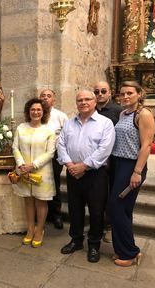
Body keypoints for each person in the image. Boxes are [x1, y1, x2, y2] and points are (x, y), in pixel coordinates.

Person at [58, 89, 115, 263]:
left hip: (95, 174)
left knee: (96, 211)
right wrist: (70, 165)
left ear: (94, 102)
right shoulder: (69, 123)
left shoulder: (105, 123)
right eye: (80, 100)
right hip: (73, 172)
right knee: (75, 209)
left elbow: (104, 150)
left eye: (87, 99)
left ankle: (94, 245)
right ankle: (76, 240)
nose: (83, 102)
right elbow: (61, 144)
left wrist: (83, 166)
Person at [108, 81, 155, 267]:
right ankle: (123, 249)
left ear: (139, 94)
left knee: (116, 207)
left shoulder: (143, 114)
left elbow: (146, 145)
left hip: (132, 166)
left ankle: (130, 252)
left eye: (129, 93)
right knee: (123, 209)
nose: (125, 96)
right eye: (122, 94)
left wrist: (137, 172)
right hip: (118, 164)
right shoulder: (123, 113)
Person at [12, 98, 56, 247]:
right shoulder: (21, 128)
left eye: (39, 110)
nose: (36, 112)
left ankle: (40, 230)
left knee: (41, 202)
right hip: (24, 171)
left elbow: (50, 153)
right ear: (28, 112)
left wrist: (33, 165)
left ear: (43, 112)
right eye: (33, 109)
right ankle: (30, 229)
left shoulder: (48, 131)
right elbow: (15, 148)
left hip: (41, 171)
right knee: (28, 201)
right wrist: (22, 165)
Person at [93, 81, 123, 243]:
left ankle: (109, 226)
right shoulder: (90, 110)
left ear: (110, 93)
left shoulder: (119, 111)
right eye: (96, 91)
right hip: (94, 162)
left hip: (113, 160)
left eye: (103, 91)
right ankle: (97, 225)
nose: (100, 94)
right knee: (98, 195)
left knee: (111, 194)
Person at [39, 89, 68, 230]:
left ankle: (56, 214)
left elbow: (67, 136)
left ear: (53, 100)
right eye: (43, 96)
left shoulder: (60, 116)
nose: (45, 98)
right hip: (38, 155)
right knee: (39, 183)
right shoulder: (36, 113)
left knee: (54, 183)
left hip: (55, 155)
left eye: (48, 96)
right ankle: (40, 216)